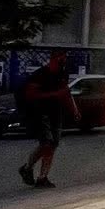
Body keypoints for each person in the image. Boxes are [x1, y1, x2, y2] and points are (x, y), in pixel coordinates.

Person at [18, 52, 78, 189]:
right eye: (60, 61)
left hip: (56, 113)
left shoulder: (63, 74)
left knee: (52, 145)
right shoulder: (41, 74)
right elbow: (30, 94)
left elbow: (66, 92)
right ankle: (34, 172)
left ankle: (39, 175)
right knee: (47, 143)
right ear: (52, 60)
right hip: (40, 113)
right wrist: (54, 95)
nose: (62, 64)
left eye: (64, 61)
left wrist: (74, 109)